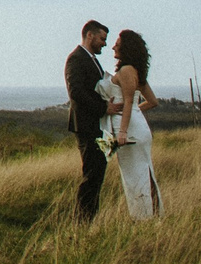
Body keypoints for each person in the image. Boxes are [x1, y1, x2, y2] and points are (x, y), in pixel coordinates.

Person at [100, 28, 164, 219]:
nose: (113, 47)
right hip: (136, 126)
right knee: (144, 172)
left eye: (117, 45)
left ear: (126, 48)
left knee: (136, 176)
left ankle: (143, 217)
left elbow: (129, 101)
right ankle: (152, 215)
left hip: (130, 130)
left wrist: (122, 132)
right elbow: (152, 102)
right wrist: (135, 112)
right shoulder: (136, 71)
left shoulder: (126, 70)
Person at [64, 20, 110, 220]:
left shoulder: (91, 59)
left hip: (98, 126)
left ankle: (90, 218)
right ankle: (82, 221)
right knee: (91, 175)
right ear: (89, 35)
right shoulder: (76, 58)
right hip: (86, 126)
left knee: (98, 174)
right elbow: (76, 92)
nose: (104, 44)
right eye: (102, 39)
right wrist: (104, 107)